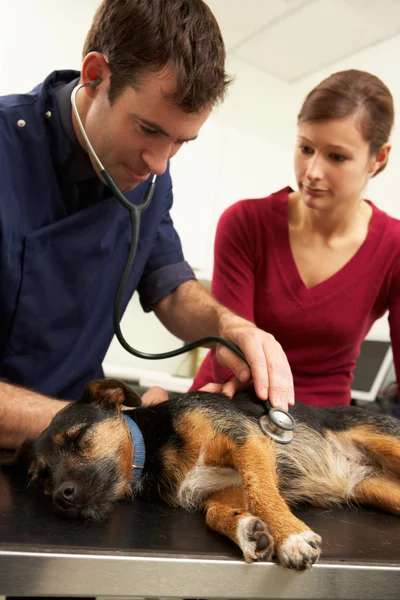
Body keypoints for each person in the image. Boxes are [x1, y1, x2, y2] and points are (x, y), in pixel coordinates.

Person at [0, 0, 294, 450]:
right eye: (149, 130)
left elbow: (171, 287)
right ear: (95, 76)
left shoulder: (151, 179)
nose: (159, 163)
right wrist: (115, 427)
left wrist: (229, 328)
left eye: (181, 141)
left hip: (82, 451)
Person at [191, 68, 399, 408]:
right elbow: (232, 353)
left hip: (322, 428)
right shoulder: (245, 223)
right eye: (305, 148)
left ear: (378, 158)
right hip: (227, 405)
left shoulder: (393, 248)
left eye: (336, 157)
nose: (312, 172)